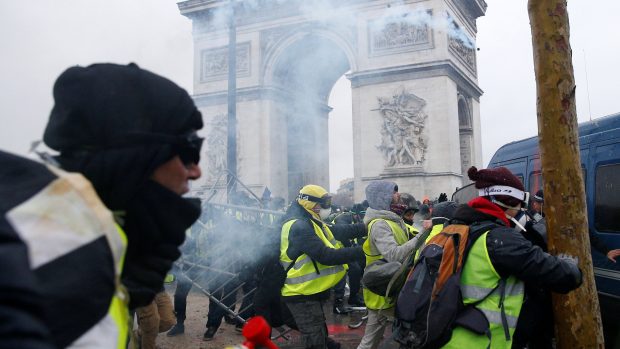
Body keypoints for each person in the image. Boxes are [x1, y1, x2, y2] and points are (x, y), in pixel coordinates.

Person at [0, 62, 203, 348]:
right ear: (137, 156)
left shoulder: (80, 235)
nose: (196, 171)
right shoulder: (39, 254)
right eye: (189, 150)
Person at [440, 166, 582, 349]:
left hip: (450, 337)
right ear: (508, 202)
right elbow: (557, 274)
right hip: (480, 342)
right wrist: (570, 265)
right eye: (519, 204)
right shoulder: (500, 239)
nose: (522, 210)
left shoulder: (454, 228)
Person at [280, 184, 366, 349]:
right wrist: (364, 250)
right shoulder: (299, 226)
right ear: (310, 204)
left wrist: (368, 227)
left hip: (311, 292)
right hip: (300, 294)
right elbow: (326, 255)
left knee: (319, 337)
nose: (328, 207)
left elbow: (340, 231)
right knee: (315, 342)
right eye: (324, 203)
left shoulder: (311, 221)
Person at [357, 181, 422, 349]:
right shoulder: (380, 224)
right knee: (371, 340)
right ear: (383, 197)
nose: (398, 195)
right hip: (381, 288)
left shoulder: (393, 220)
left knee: (375, 339)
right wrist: (421, 237)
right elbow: (393, 255)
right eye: (394, 192)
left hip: (392, 285)